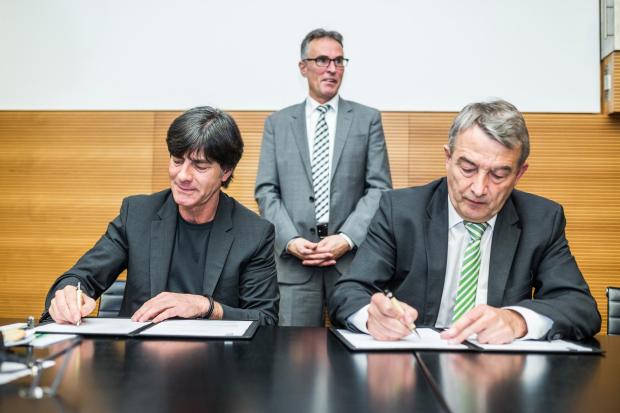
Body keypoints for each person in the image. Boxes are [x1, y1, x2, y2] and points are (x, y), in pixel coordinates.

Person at [329, 99, 601, 343]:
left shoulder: (542, 220)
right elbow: (349, 291)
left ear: (519, 174)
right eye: (468, 169)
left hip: (499, 372)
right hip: (414, 367)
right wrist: (372, 317)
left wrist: (517, 320)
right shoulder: (400, 211)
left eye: (498, 175)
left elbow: (580, 307)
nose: (479, 188)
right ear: (448, 158)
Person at [42, 106, 279, 325]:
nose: (183, 176)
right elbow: (82, 276)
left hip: (215, 354)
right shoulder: (137, 215)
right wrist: (69, 293)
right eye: (177, 161)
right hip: (140, 352)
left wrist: (206, 307)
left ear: (226, 171)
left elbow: (265, 318)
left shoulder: (254, 233)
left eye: (200, 166)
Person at [255, 28, 392, 326]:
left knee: (358, 346)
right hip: (295, 265)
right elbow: (266, 190)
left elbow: (379, 189)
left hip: (352, 264)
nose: (332, 68)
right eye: (322, 60)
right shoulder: (277, 123)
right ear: (303, 67)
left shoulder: (368, 119)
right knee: (295, 352)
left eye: (338, 61)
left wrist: (346, 238)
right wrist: (290, 240)